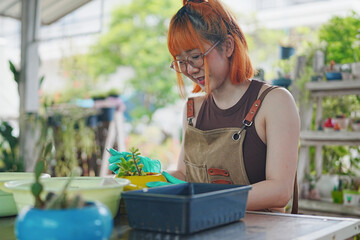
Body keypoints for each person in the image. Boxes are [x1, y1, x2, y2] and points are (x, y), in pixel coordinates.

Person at [165, 0, 300, 213]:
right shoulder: (193, 110)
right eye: (181, 61)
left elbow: (280, 191)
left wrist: (209, 202)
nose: (189, 69)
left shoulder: (274, 102)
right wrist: (143, 179)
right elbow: (183, 174)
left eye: (195, 57)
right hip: (206, 227)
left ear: (227, 46)